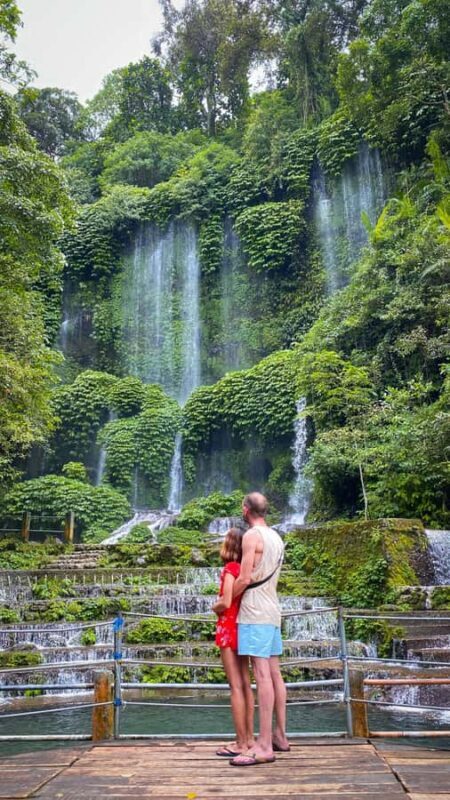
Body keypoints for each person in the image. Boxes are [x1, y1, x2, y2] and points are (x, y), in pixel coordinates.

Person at [229, 492, 289, 767]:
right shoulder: (276, 536)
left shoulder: (251, 536)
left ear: (245, 510)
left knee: (262, 674)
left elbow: (244, 578)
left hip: (254, 610)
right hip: (273, 609)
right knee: (275, 673)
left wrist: (224, 601)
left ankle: (264, 745)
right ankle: (280, 736)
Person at [212, 527, 255, 757]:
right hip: (243, 627)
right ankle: (249, 738)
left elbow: (226, 601)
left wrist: (214, 605)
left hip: (228, 629)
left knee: (235, 687)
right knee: (246, 684)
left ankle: (240, 743)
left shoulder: (230, 569)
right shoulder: (244, 570)